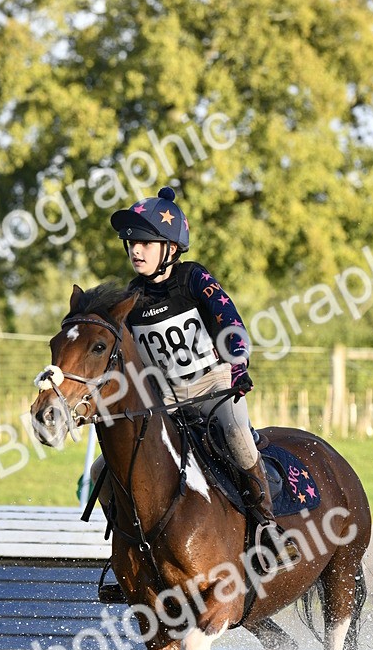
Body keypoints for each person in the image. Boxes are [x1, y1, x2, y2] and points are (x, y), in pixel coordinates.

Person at [109, 185, 301, 568]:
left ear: (171, 248)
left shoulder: (194, 279)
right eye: (131, 242)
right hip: (164, 402)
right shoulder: (130, 296)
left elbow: (230, 323)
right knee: (104, 469)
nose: (135, 250)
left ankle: (268, 528)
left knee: (236, 435)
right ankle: (129, 554)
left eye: (145, 242)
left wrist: (238, 367)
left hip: (212, 386)